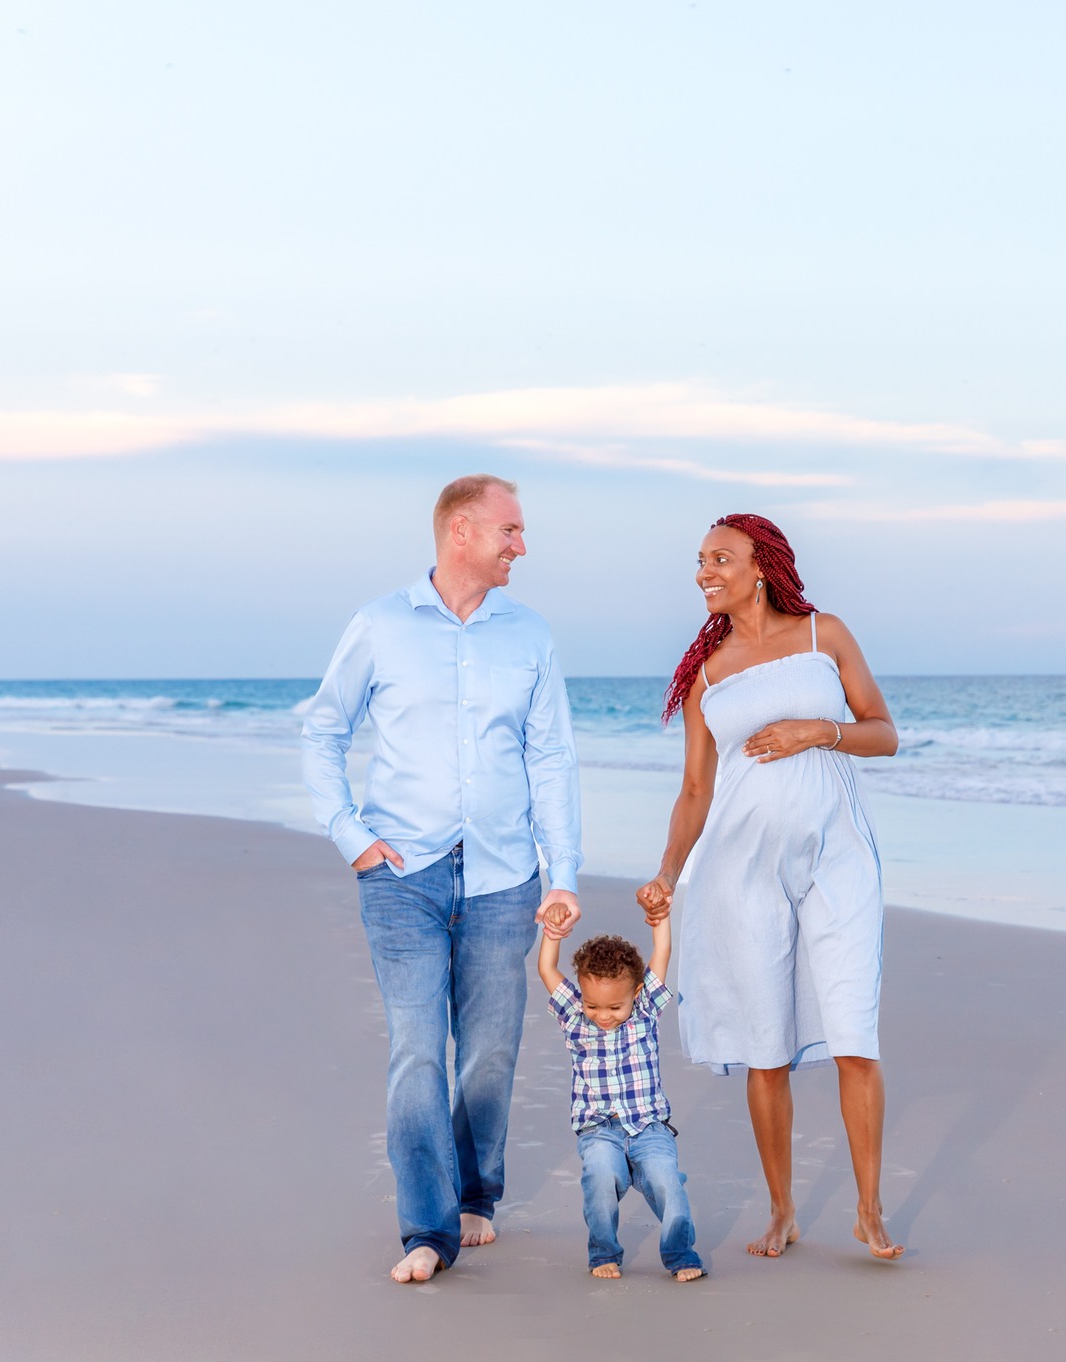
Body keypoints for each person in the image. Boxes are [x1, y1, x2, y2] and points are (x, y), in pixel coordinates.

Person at [300, 474, 583, 1285]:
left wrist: (562, 872)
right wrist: (350, 834)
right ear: (462, 531)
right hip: (402, 876)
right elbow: (323, 729)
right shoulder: (381, 626)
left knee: (489, 1053)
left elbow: (552, 757)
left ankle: (477, 1195)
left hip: (505, 875)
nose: (521, 546)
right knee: (418, 1049)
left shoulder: (530, 635)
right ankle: (426, 1228)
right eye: (511, 531)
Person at [636, 513, 904, 1261]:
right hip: (739, 869)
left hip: (839, 857)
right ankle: (783, 1211)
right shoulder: (707, 673)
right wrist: (665, 871)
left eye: (720, 557)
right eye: (699, 560)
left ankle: (869, 1211)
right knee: (766, 1048)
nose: (704, 571)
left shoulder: (826, 635)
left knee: (855, 1031)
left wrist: (819, 731)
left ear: (763, 565)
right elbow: (695, 790)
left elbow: (884, 731)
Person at [536, 915, 705, 1282]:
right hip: (599, 1130)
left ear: (636, 994)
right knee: (598, 1178)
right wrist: (553, 932)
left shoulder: (645, 1011)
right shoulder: (574, 1017)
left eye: (615, 1008)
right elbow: (546, 966)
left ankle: (680, 1254)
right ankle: (603, 1253)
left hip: (649, 1128)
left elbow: (663, 950)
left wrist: (660, 916)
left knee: (667, 1183)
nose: (603, 1016)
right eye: (594, 1006)